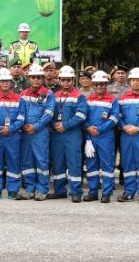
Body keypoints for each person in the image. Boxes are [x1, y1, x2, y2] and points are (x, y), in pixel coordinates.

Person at [113, 68, 139, 204]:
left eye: (138, 80)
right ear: (129, 81)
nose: (135, 82)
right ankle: (129, 191)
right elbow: (118, 116)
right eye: (133, 80)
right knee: (127, 162)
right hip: (126, 135)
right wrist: (124, 126)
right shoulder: (124, 98)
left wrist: (138, 128)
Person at [0, 68, 25, 199]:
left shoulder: (19, 99)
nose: (5, 83)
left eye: (7, 81)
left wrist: (11, 129)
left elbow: (21, 118)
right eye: (2, 81)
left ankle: (13, 190)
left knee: (13, 161)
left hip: (13, 136)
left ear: (11, 82)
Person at [49, 66, 87, 203]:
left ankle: (76, 192)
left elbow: (81, 115)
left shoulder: (79, 96)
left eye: (69, 80)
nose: (66, 83)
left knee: (74, 162)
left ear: (73, 80)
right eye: (63, 80)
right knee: (57, 162)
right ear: (59, 80)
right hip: (56, 133)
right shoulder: (53, 96)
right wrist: (54, 124)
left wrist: (65, 125)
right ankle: (59, 190)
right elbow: (49, 113)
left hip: (72, 134)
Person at [17, 64, 55, 200]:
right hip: (25, 132)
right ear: (29, 78)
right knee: (26, 161)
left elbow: (49, 113)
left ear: (42, 79)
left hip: (40, 132)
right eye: (33, 77)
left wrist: (36, 126)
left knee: (41, 160)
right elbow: (19, 112)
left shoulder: (48, 94)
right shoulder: (23, 94)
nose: (36, 80)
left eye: (38, 77)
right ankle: (30, 188)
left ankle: (42, 189)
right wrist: (22, 125)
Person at [82, 71, 118, 202]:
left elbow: (114, 118)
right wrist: (88, 127)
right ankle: (93, 192)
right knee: (91, 165)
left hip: (106, 137)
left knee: (107, 165)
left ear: (106, 85)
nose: (99, 86)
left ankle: (107, 193)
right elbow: (82, 116)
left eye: (102, 84)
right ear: (93, 85)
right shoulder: (88, 100)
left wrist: (100, 129)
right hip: (90, 137)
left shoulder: (113, 100)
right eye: (96, 84)